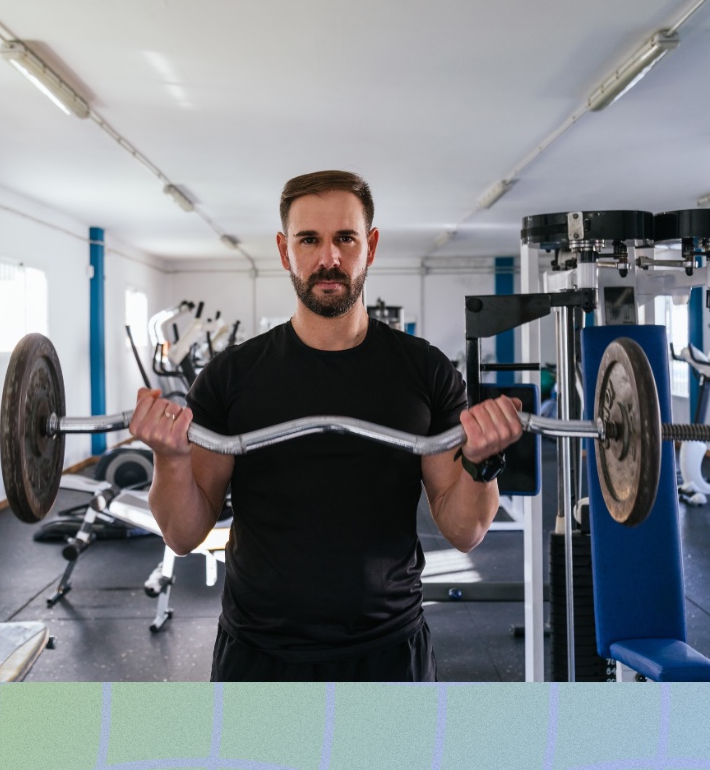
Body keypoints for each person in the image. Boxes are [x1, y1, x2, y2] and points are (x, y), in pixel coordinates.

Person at [131, 170, 524, 682]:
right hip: (259, 653)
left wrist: (483, 460)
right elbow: (183, 535)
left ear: (371, 245)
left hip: (388, 650)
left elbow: (465, 530)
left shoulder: (425, 372)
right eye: (309, 240)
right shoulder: (230, 376)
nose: (329, 258)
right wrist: (171, 457)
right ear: (283, 250)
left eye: (345, 238)